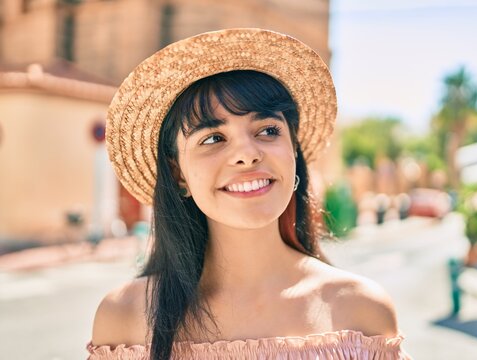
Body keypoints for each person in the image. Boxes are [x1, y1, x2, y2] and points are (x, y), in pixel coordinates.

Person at [87, 28, 409, 359]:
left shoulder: (361, 312)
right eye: (213, 138)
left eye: (268, 130)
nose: (247, 154)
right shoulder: (123, 320)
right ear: (177, 173)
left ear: (293, 153)